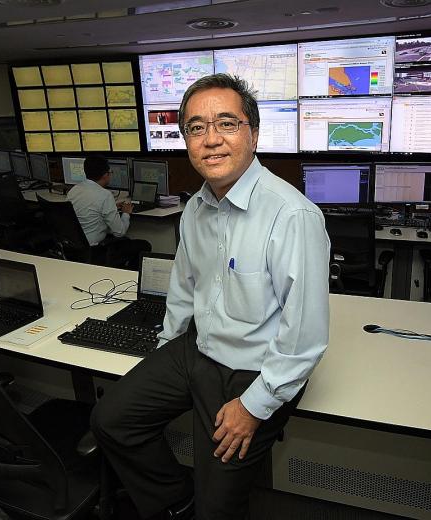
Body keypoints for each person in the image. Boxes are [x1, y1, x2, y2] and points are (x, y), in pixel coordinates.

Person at [91, 74, 330, 520]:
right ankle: (174, 501)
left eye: (227, 123)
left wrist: (256, 404)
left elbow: (304, 336)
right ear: (185, 140)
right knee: (112, 421)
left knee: (217, 509)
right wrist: (164, 353)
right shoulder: (196, 208)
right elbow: (184, 287)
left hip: (254, 367)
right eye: (197, 128)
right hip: (197, 349)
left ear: (253, 134)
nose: (211, 139)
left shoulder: (293, 216)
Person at [67, 155, 151, 270]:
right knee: (144, 245)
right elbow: (119, 232)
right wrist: (126, 213)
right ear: (106, 175)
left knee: (126, 242)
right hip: (95, 251)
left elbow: (89, 210)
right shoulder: (105, 195)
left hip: (74, 249)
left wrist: (112, 207)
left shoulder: (74, 190)